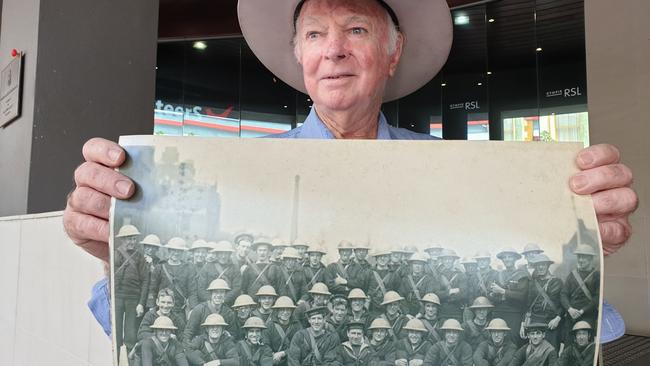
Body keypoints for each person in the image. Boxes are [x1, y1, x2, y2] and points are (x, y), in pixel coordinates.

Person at [64, 0, 637, 338]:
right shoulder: (245, 171)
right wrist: (121, 252)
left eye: (356, 30)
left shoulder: (459, 173)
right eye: (315, 33)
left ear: (392, 52)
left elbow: (579, 325)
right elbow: (150, 327)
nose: (333, 49)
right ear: (300, 57)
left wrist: (579, 247)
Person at [113, 224, 148, 354]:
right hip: (117, 297)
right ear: (122, 239)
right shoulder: (115, 254)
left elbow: (145, 280)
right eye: (129, 239)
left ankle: (129, 360)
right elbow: (111, 278)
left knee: (130, 334)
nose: (132, 242)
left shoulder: (139, 257)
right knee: (116, 331)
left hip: (133, 299)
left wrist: (141, 303)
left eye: (134, 239)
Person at [489, 248, 529, 346]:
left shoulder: (522, 275)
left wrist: (502, 291)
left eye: (510, 257)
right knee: (498, 341)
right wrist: (499, 296)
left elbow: (523, 296)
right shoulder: (498, 275)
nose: (507, 259)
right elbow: (490, 294)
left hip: (514, 314)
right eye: (505, 257)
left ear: (515, 259)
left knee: (513, 340)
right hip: (498, 313)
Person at [523, 254, 563, 350]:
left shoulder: (557, 282)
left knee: (552, 351)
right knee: (536, 352)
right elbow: (528, 304)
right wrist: (524, 322)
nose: (540, 267)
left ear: (548, 266)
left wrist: (558, 318)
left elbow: (563, 303)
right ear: (535, 267)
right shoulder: (532, 283)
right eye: (538, 265)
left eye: (543, 264)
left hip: (552, 322)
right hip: (536, 322)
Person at [183, 278, 236, 347]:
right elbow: (188, 332)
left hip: (220, 347)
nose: (218, 295)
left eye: (222, 292)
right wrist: (188, 349)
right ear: (211, 293)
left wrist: (227, 336)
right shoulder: (199, 309)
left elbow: (233, 334)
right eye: (216, 292)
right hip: (201, 346)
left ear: (225, 294)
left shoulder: (228, 313)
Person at [560, 244, 600, 335]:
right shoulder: (572, 275)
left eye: (584, 258)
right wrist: (570, 309)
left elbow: (597, 298)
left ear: (590, 259)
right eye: (579, 257)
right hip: (571, 315)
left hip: (588, 315)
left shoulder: (596, 276)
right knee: (568, 343)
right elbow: (563, 294)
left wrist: (583, 311)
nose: (580, 260)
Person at [197, 240, 242, 306]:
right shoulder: (207, 267)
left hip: (228, 304)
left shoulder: (235, 268)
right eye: (221, 253)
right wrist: (212, 301)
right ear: (217, 253)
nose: (223, 256)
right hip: (209, 304)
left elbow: (236, 289)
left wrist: (224, 300)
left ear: (229, 254)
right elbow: (201, 289)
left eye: (226, 253)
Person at [262, 296, 303, 366]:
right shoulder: (269, 326)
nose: (285, 312)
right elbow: (265, 345)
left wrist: (283, 353)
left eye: (288, 310)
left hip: (291, 358)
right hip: (274, 358)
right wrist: (272, 354)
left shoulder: (297, 325)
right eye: (282, 310)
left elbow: (300, 345)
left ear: (292, 311)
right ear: (277, 311)